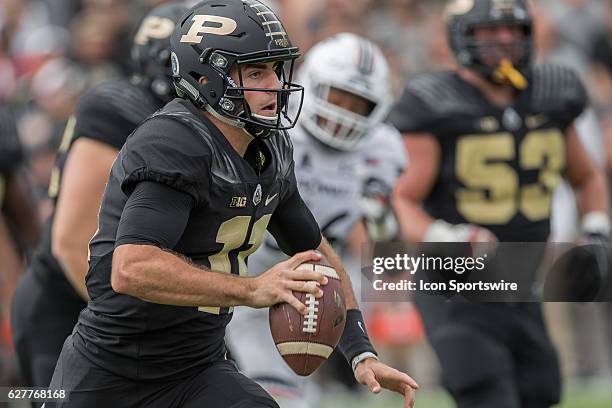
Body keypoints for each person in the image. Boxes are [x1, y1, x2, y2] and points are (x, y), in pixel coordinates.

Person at [46, 1, 418, 407]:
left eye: (276, 69)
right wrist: (252, 288)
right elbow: (132, 267)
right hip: (112, 371)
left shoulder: (271, 146)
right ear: (207, 78)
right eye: (257, 72)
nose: (275, 85)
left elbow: (314, 251)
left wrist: (360, 351)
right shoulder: (174, 143)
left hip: (197, 368)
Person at [390, 0, 609, 407]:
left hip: (521, 283)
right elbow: (400, 199)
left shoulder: (550, 96)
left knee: (541, 391)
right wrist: (446, 235)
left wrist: (596, 228)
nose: (505, 41)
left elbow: (587, 177)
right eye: (491, 32)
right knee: (487, 390)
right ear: (461, 37)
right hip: (456, 285)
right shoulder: (435, 103)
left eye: (513, 31)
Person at [10, 3, 189, 393]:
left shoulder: (189, 128)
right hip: (70, 306)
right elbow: (73, 243)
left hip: (138, 307)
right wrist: (135, 326)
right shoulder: (120, 109)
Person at [226, 32, 406, 408]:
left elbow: (383, 234)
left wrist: (382, 226)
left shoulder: (382, 149)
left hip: (323, 281)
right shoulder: (273, 130)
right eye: (337, 97)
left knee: (293, 390)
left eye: (357, 104)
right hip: (251, 272)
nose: (342, 113)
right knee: (274, 391)